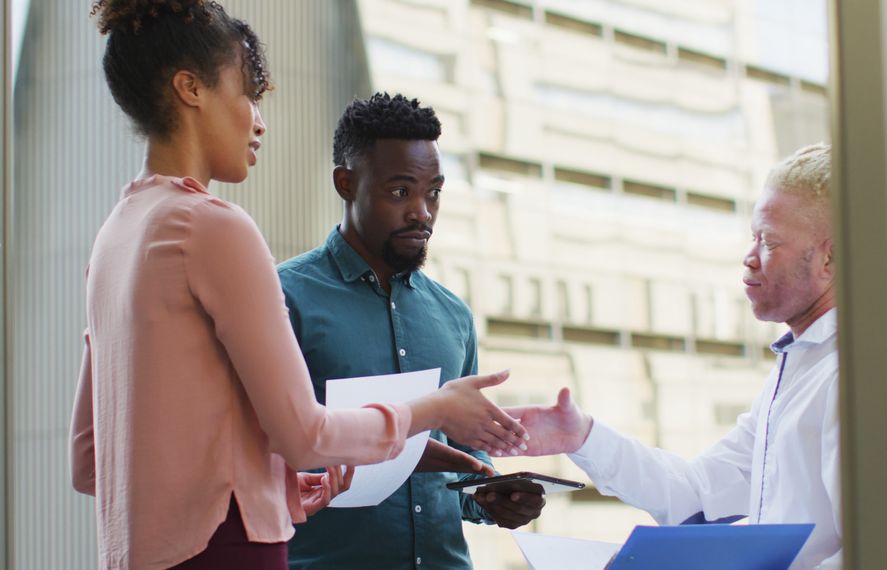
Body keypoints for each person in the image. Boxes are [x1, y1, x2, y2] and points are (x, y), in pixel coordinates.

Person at [70, 3, 527, 569]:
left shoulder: (114, 236)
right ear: (191, 89)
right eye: (248, 93)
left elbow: (91, 461)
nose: (258, 120)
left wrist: (280, 487)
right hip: (229, 551)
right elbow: (306, 436)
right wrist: (432, 409)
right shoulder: (214, 226)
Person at [506, 143, 842, 569]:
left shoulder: (848, 376)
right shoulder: (797, 368)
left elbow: (878, 551)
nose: (750, 257)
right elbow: (698, 495)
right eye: (752, 237)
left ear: (829, 259)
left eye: (769, 241)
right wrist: (582, 437)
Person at [278, 92, 545, 570]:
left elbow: (462, 471)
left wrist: (490, 498)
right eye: (400, 191)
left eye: (434, 192)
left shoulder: (454, 317)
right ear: (346, 183)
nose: (422, 211)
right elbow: (262, 458)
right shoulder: (283, 299)